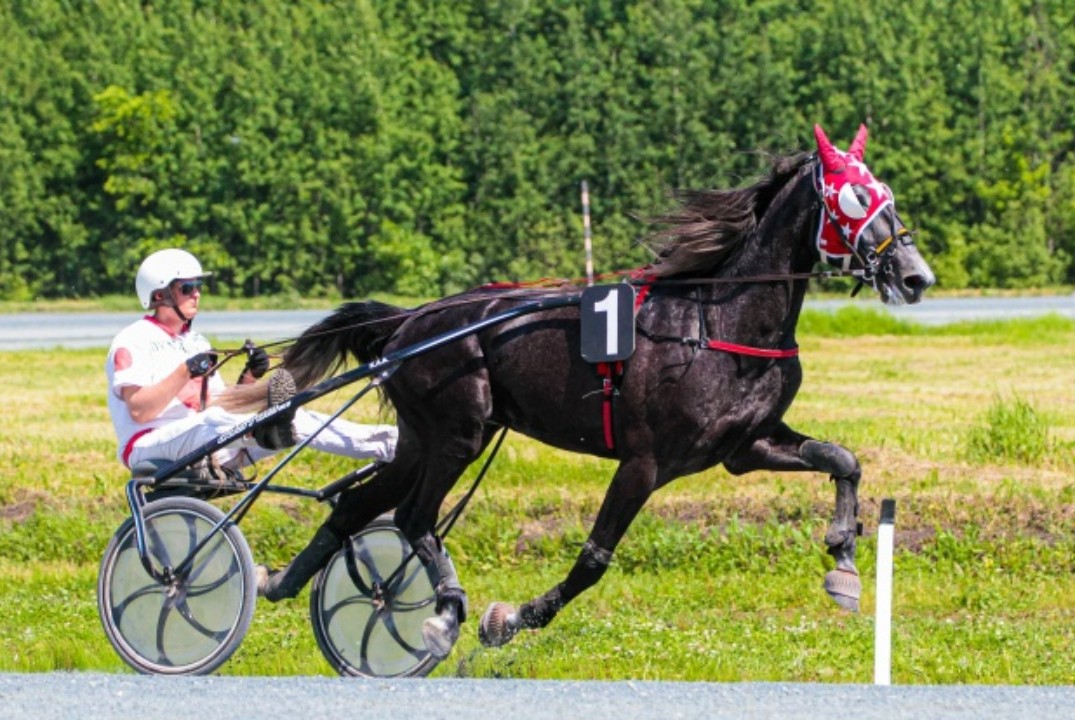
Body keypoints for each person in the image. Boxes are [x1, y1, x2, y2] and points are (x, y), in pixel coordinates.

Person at [105, 247, 397, 479]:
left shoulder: (197, 341)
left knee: (295, 415)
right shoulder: (133, 340)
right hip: (148, 445)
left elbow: (217, 404)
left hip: (203, 443)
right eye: (187, 287)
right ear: (159, 295)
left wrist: (250, 376)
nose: (197, 293)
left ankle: (391, 444)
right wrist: (184, 372)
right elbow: (140, 410)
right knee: (213, 423)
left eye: (198, 286)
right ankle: (261, 428)